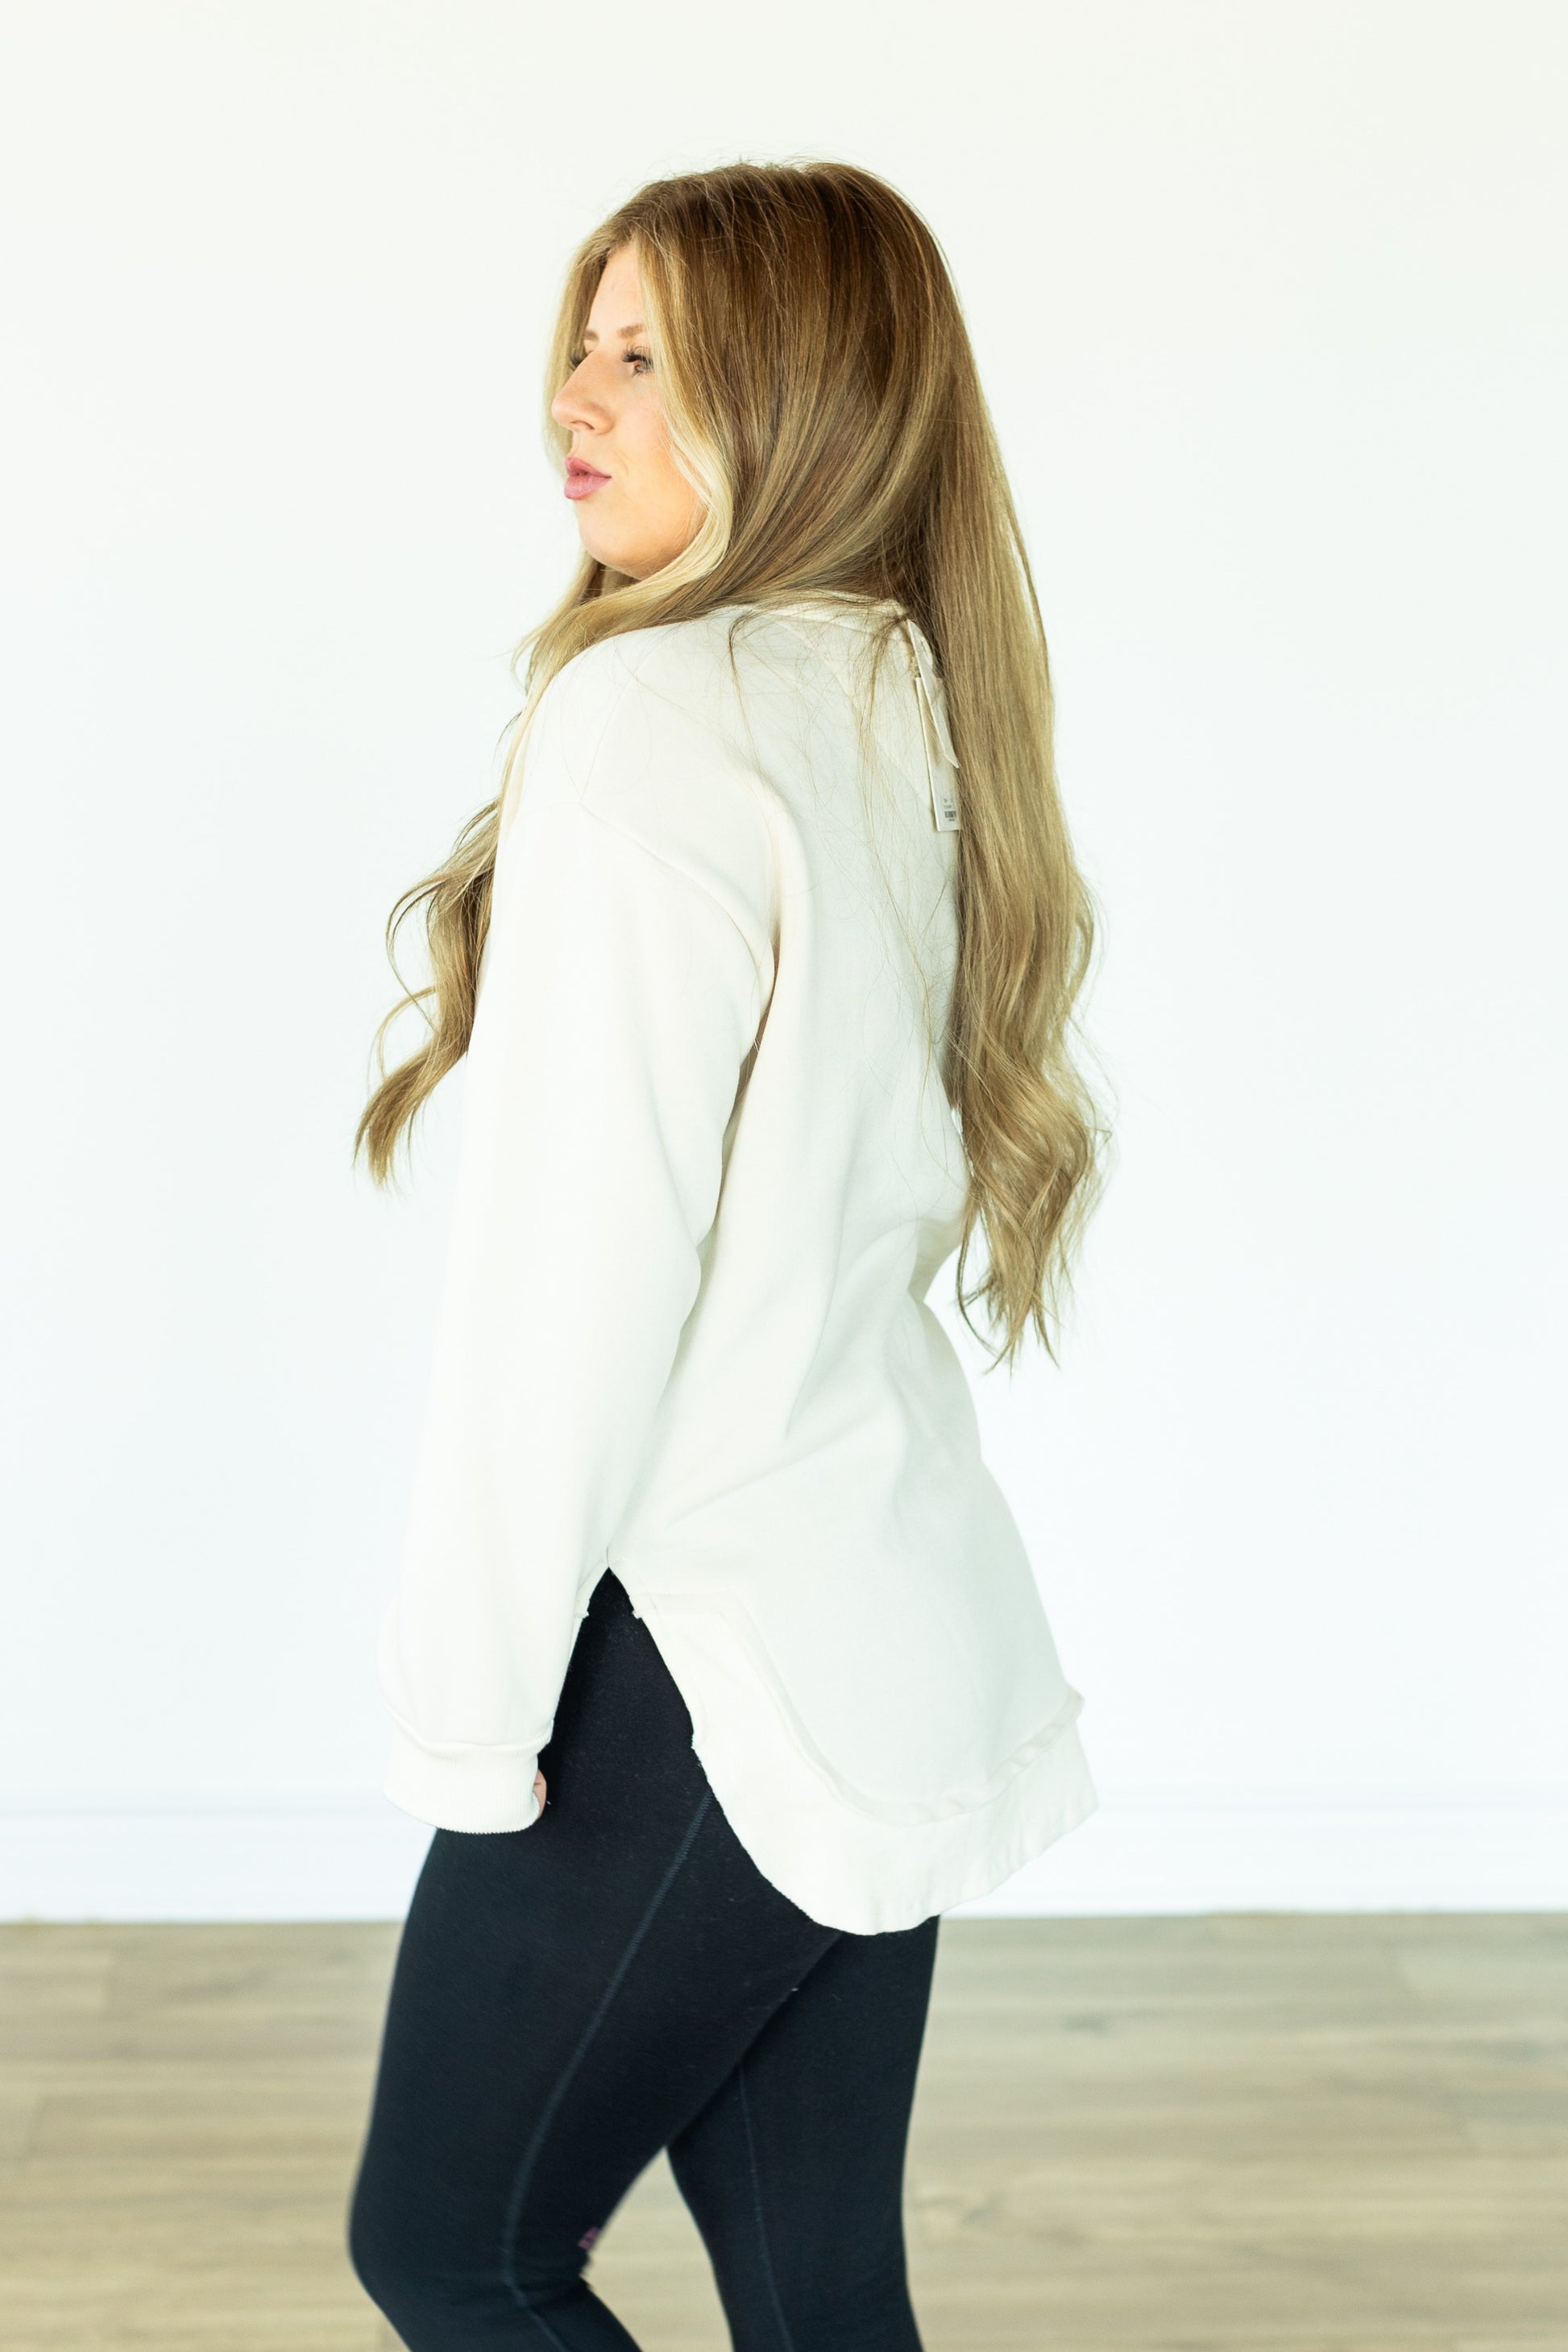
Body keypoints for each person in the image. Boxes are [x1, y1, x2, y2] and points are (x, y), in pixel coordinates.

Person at [346, 159, 1108, 2352]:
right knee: (817, 2292)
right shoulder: (898, 692)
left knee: (455, 2252)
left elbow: (569, 1301)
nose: (574, 399)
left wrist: (467, 1720)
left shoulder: (649, 720)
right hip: (882, 1616)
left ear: (804, 399)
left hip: (696, 1666)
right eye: (583, 342)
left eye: (648, 354)